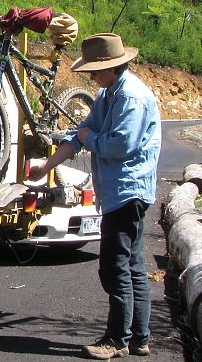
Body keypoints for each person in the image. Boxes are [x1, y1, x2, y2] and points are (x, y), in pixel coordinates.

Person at [28, 33, 161, 359]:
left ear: (111, 67)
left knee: (114, 267)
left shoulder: (130, 97)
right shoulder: (109, 94)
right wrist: (47, 166)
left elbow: (120, 145)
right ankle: (138, 338)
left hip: (128, 191)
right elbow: (79, 135)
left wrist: (91, 137)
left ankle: (117, 340)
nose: (90, 76)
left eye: (94, 70)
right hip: (122, 190)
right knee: (131, 265)